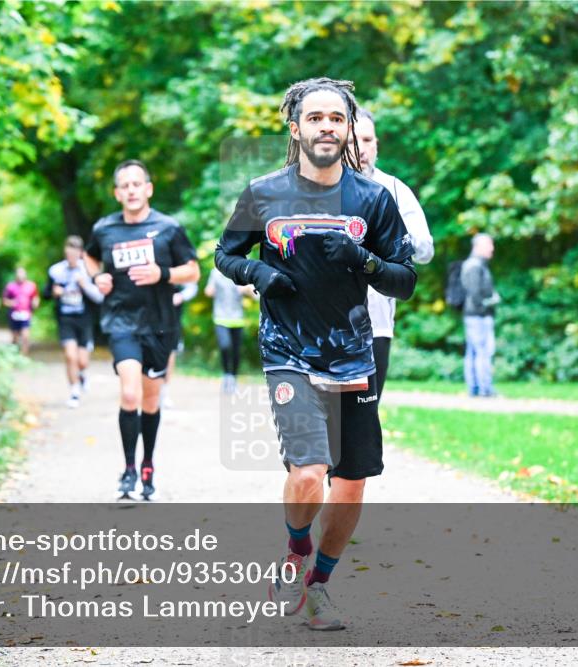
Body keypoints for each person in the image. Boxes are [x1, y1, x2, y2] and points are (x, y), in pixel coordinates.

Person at [215, 77, 416, 630]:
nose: (326, 126)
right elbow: (224, 254)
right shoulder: (263, 193)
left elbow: (405, 280)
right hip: (288, 347)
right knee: (309, 473)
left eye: (336, 118)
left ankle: (319, 587)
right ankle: (296, 548)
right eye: (315, 117)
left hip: (354, 353)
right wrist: (257, 271)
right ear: (295, 126)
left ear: (349, 128)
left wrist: (366, 261)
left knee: (351, 483)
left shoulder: (373, 199)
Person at [85, 159, 200, 499]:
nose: (132, 190)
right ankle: (128, 470)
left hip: (160, 326)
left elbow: (192, 271)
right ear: (117, 193)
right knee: (130, 393)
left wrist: (162, 275)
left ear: (148, 189)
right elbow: (92, 259)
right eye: (125, 185)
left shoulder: (168, 228)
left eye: (138, 184)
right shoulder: (104, 229)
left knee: (151, 399)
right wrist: (96, 277)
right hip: (121, 322)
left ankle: (147, 464)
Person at [352, 108, 434, 398]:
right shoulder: (321, 189)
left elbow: (425, 249)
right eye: (353, 140)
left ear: (376, 145)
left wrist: (390, 239)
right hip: (325, 323)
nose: (360, 149)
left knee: (366, 415)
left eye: (367, 140)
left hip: (376, 323)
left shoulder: (395, 190)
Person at [44, 236, 103, 408]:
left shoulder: (89, 271)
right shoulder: (56, 271)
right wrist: (54, 292)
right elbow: (46, 293)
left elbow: (99, 297)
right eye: (69, 253)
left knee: (83, 361)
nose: (72, 257)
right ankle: (74, 391)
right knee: (70, 356)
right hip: (65, 318)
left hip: (84, 319)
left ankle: (83, 374)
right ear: (65, 252)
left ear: (80, 254)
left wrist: (85, 286)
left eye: (75, 254)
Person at [204, 266, 257, 393]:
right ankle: (226, 375)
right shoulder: (215, 273)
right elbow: (208, 291)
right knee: (225, 346)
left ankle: (233, 378)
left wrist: (246, 289)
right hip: (220, 318)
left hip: (237, 318)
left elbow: (255, 295)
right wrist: (210, 291)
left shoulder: (240, 272)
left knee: (236, 351)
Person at [460, 234, 500, 397]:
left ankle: (475, 389)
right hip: (478, 316)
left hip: (475, 315)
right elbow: (475, 294)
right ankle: (485, 389)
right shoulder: (474, 266)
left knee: (474, 352)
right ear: (478, 246)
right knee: (483, 351)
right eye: (489, 245)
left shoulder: (476, 265)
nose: (492, 248)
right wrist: (491, 301)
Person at [160, 279, 198, 409]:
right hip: (149, 315)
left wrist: (180, 296)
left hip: (172, 318)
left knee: (170, 353)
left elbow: (192, 287)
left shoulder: (179, 262)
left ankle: (164, 394)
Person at [2, 267, 39, 355]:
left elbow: (35, 297)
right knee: (15, 337)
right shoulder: (10, 286)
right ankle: (14, 354)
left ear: (25, 275)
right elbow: (4, 301)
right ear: (16, 276)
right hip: (14, 314)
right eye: (19, 274)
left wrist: (35, 303)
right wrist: (12, 303)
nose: (20, 276)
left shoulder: (31, 285)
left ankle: (24, 355)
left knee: (25, 336)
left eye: (22, 274)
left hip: (26, 314)